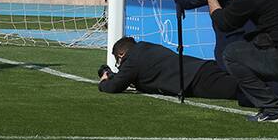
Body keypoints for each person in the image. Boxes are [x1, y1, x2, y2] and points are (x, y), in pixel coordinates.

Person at [98, 36, 239, 100]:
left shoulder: (132, 59)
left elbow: (114, 87)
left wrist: (104, 81)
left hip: (195, 79)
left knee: (242, 90)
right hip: (201, 68)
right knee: (244, 81)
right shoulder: (145, 47)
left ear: (121, 54)